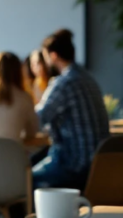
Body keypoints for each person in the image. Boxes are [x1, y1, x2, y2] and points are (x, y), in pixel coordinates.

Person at [34, 29, 110, 190]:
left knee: (24, 180)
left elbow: (38, 119)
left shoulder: (65, 82)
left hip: (75, 165)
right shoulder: (87, 78)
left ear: (53, 55)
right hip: (100, 165)